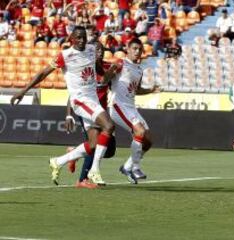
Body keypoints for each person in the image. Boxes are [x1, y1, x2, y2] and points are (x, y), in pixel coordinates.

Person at [10, 26, 115, 186]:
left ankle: (58, 161)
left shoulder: (91, 50)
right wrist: (23, 91)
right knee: (108, 126)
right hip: (80, 100)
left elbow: (98, 70)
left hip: (92, 99)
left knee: (93, 144)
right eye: (78, 37)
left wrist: (108, 75)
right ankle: (94, 170)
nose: (81, 41)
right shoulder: (65, 56)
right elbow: (42, 73)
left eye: (84, 38)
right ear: (71, 38)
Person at [107, 38, 161, 184]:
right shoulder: (120, 63)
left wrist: (151, 90)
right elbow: (106, 79)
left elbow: (136, 90)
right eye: (135, 48)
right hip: (117, 105)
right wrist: (110, 72)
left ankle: (127, 166)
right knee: (140, 132)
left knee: (148, 141)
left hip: (131, 107)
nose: (137, 52)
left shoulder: (139, 70)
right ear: (128, 49)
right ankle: (136, 167)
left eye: (139, 49)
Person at [66, 42, 117, 189]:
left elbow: (112, 79)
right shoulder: (84, 69)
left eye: (102, 50)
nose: (100, 52)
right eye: (96, 50)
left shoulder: (108, 67)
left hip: (101, 113)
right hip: (86, 111)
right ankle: (82, 180)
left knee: (110, 150)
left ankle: (75, 152)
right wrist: (69, 115)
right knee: (95, 145)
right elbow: (73, 95)